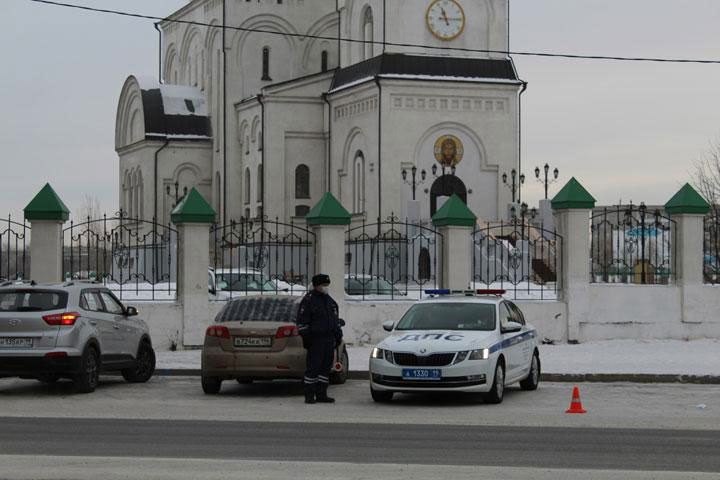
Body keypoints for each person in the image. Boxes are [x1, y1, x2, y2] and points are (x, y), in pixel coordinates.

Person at [297, 274, 343, 404]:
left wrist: (338, 336)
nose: (325, 288)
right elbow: (302, 322)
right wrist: (307, 339)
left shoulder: (329, 301)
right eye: (323, 285)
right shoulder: (309, 300)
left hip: (328, 340)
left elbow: (335, 321)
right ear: (316, 285)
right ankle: (309, 395)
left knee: (325, 368)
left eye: (326, 285)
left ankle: (322, 394)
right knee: (313, 368)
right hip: (316, 340)